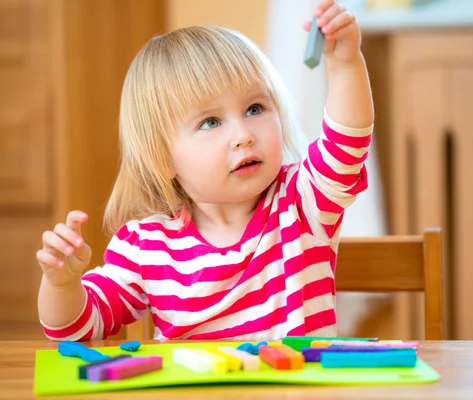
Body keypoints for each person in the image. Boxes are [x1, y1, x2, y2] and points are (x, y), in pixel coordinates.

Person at [37, 0, 374, 341]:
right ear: (163, 158)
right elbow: (75, 329)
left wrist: (346, 67)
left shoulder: (302, 201)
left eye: (255, 108)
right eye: (210, 122)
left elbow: (347, 143)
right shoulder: (146, 247)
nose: (243, 136)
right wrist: (62, 285)